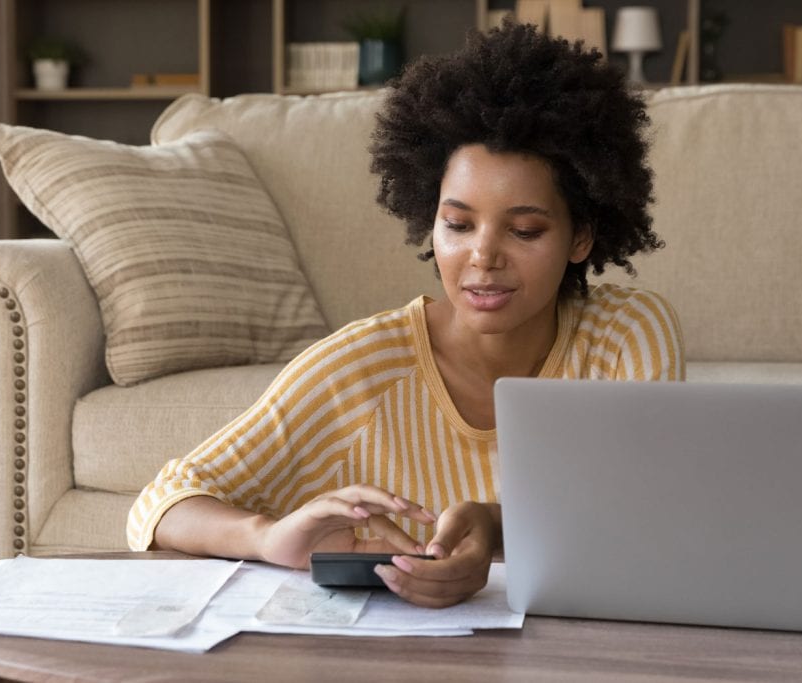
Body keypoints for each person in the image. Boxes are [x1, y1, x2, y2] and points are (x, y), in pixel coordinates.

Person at [126, 21, 684, 608]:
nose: (483, 256)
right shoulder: (362, 369)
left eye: (524, 229)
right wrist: (268, 537)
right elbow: (162, 503)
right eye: (458, 224)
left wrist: (496, 526)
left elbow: (655, 517)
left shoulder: (626, 334)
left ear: (581, 238)